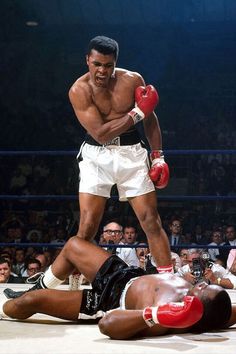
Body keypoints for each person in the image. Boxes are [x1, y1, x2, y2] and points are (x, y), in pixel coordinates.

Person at [68, 35, 172, 272]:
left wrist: (158, 156)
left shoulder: (132, 80)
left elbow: (150, 118)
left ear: (115, 63)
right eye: (97, 65)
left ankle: (169, 282)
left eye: (108, 65)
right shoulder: (79, 90)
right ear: (87, 60)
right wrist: (137, 113)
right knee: (87, 226)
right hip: (96, 155)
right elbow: (101, 134)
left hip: (132, 152)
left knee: (150, 220)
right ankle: (75, 282)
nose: (102, 71)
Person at [1, 237, 234, 340]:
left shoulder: (170, 315)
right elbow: (227, 312)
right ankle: (40, 282)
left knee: (28, 303)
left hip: (108, 301)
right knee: (74, 245)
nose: (203, 283)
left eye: (203, 289)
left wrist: (154, 314)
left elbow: (108, 325)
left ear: (198, 308)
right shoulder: (219, 309)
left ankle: (4, 309)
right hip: (125, 274)